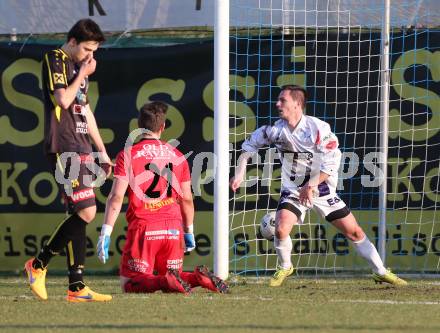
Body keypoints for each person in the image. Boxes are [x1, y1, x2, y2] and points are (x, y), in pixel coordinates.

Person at [230, 85, 407, 287]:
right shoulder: (273, 130)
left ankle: (380, 271)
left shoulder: (317, 128)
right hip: (294, 190)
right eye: (278, 100)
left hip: (321, 189)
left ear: (297, 104)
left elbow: (332, 164)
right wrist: (239, 175)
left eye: (283, 100)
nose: (277, 104)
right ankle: (285, 266)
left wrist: (312, 185)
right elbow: (247, 149)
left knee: (354, 232)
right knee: (280, 229)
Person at [96, 101, 228, 294]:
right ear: (163, 127)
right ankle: (198, 278)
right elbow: (187, 199)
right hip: (173, 228)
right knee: (172, 275)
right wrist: (188, 231)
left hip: (145, 227)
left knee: (129, 283)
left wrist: (105, 233)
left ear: (138, 126)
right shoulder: (177, 155)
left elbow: (116, 197)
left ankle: (165, 283)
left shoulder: (128, 155)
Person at [24, 18, 113, 302]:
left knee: (78, 213)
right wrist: (83, 73)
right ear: (73, 41)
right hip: (63, 145)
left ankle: (76, 286)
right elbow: (63, 100)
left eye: (95, 51)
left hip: (82, 144)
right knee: (87, 211)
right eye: (87, 49)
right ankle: (37, 264)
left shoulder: (80, 68)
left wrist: (101, 150)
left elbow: (84, 110)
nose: (91, 56)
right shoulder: (56, 58)